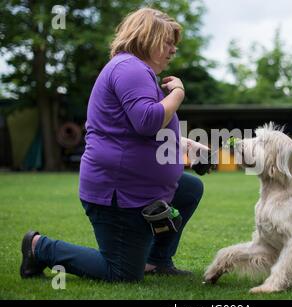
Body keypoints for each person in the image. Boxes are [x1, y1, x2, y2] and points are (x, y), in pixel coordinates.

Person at [20, 7, 210, 282]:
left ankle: (156, 260)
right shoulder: (130, 69)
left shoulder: (135, 70)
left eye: (174, 44)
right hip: (118, 192)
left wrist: (187, 146)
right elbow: (147, 121)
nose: (173, 50)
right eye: (167, 42)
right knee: (120, 273)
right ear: (147, 37)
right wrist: (179, 93)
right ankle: (39, 247)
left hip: (137, 187)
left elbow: (132, 131)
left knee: (189, 188)